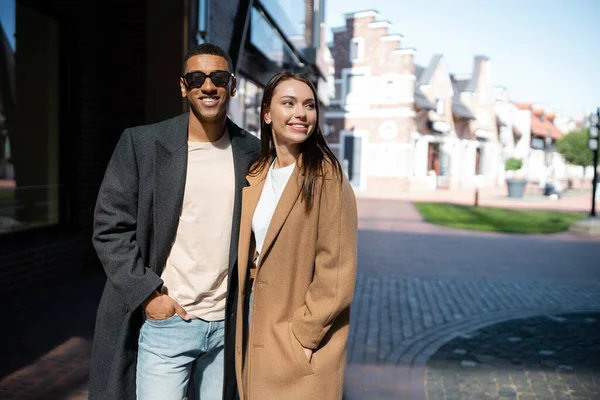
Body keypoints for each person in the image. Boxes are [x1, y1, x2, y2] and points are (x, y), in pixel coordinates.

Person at [89, 43, 260, 400]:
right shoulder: (142, 143)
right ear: (184, 86)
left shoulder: (253, 152)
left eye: (219, 77)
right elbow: (109, 227)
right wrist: (149, 297)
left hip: (228, 327)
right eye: (197, 77)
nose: (208, 86)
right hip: (169, 320)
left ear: (233, 85)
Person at [234, 72, 358, 400]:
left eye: (309, 105)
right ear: (266, 113)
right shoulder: (257, 174)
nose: (301, 113)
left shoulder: (326, 177)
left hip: (296, 341)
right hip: (252, 328)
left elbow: (336, 273)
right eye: (288, 103)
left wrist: (303, 337)